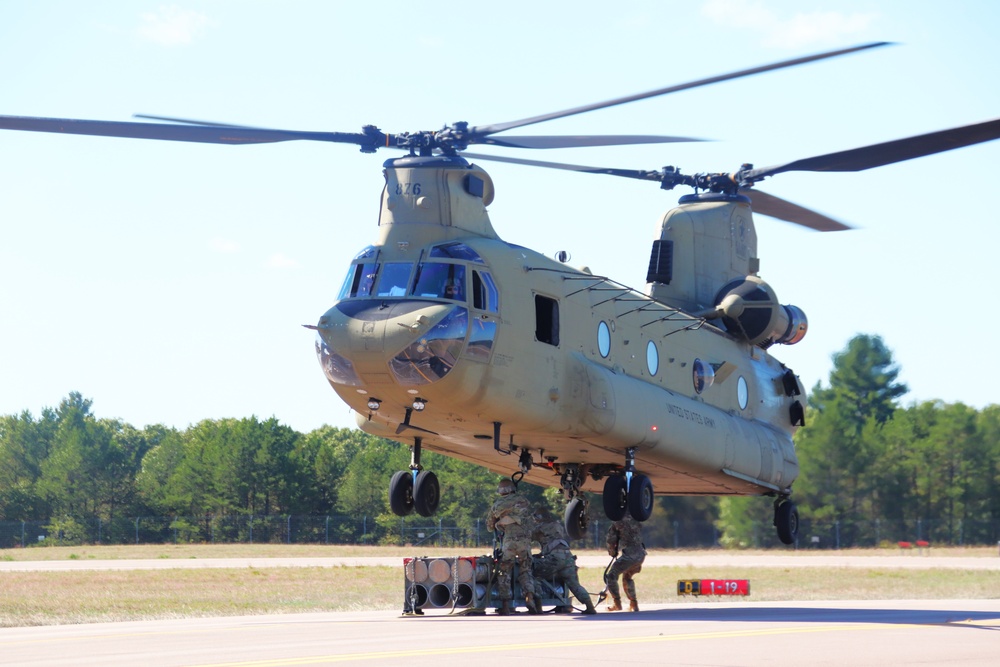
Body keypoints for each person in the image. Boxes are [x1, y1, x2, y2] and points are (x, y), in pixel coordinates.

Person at [486, 478, 538, 615]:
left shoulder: (497, 504)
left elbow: (490, 527)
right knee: (525, 570)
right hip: (525, 542)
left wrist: (500, 522)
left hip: (509, 542)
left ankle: (506, 605)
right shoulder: (524, 501)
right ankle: (529, 598)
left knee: (504, 571)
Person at [530, 506, 597, 614]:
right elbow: (553, 541)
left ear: (539, 517)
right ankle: (590, 607)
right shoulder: (557, 525)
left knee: (535, 575)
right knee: (574, 584)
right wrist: (542, 554)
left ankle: (538, 607)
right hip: (568, 558)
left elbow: (527, 537)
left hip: (555, 558)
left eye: (535, 517)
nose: (534, 520)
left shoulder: (540, 528)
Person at [604, 514, 646, 612]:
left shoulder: (617, 520)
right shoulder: (636, 518)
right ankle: (634, 604)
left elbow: (611, 540)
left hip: (629, 556)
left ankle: (617, 603)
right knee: (627, 577)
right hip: (641, 554)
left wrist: (612, 552)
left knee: (611, 576)